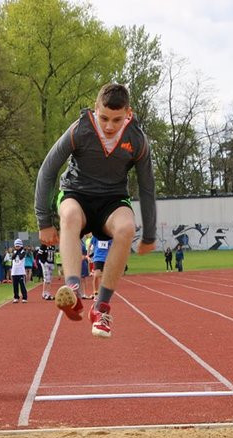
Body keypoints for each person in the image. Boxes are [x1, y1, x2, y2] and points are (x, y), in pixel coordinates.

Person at [35, 83, 156, 338]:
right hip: (76, 194)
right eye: (104, 118)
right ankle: (73, 291)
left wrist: (149, 235)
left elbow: (147, 187)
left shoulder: (137, 140)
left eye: (116, 119)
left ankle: (101, 307)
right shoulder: (80, 130)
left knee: (126, 228)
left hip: (112, 201)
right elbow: (47, 170)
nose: (109, 126)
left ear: (128, 113)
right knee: (69, 216)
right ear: (95, 107)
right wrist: (44, 221)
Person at [11, 239, 28, 303]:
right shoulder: (14, 252)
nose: (17, 247)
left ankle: (24, 297)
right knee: (15, 286)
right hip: (14, 271)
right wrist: (16, 252)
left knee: (22, 285)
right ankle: (16, 297)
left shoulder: (23, 252)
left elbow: (21, 257)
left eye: (18, 246)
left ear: (21, 246)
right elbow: (12, 257)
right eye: (16, 246)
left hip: (21, 272)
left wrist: (18, 251)